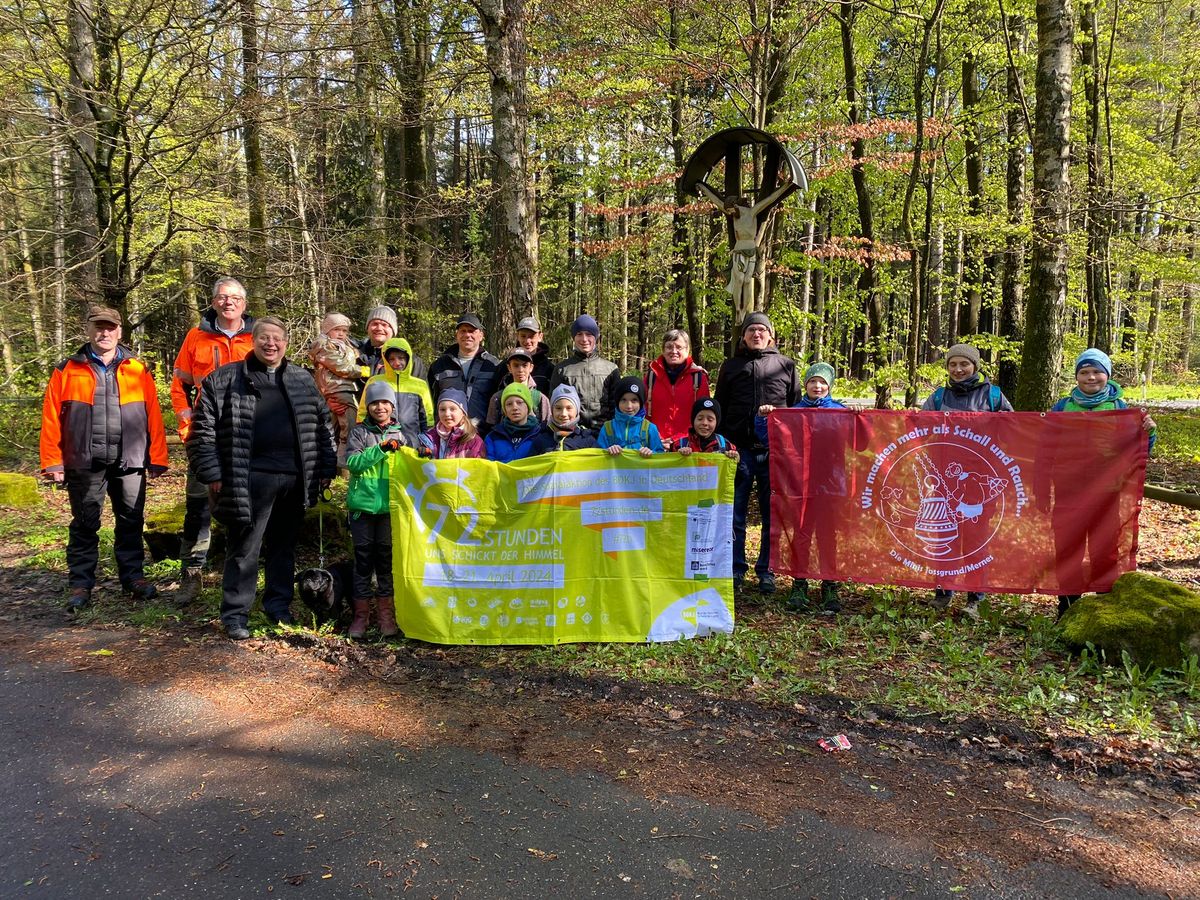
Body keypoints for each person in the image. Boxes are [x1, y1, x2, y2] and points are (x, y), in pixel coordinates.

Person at [187, 317, 337, 641]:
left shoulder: (302, 379)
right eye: (264, 338)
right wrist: (212, 473)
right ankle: (235, 614)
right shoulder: (225, 380)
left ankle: (278, 607)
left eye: (277, 338)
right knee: (244, 549)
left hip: (294, 479)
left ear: (286, 343)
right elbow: (202, 431)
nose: (271, 344)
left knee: (283, 548)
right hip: (248, 479)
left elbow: (323, 425)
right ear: (252, 341)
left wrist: (326, 469)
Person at [41, 306, 169, 610]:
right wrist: (52, 461)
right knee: (85, 523)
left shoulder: (137, 368)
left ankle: (133, 578)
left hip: (130, 459)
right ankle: (81, 584)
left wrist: (158, 456)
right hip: (84, 459)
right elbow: (51, 417)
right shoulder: (67, 369)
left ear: (119, 331)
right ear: (88, 330)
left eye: (110, 327)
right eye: (99, 327)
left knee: (131, 521)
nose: (105, 333)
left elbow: (153, 414)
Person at [1049, 348, 1156, 618]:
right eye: (1084, 372)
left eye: (1097, 371)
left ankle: (1104, 606)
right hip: (1068, 490)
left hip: (1107, 492)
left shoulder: (1121, 409)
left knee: (1105, 549)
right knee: (1067, 547)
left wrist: (1149, 431)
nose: (1091, 377)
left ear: (1107, 375)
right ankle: (1067, 607)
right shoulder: (1062, 407)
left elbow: (1139, 448)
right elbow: (1045, 445)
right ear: (1076, 377)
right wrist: (1041, 488)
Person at [170, 276, 255, 603]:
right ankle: (191, 573)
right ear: (213, 301)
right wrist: (187, 425)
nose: (228, 302)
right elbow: (180, 385)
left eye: (234, 297)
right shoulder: (197, 336)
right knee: (198, 504)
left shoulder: (257, 336)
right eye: (222, 297)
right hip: (206, 434)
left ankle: (242, 574)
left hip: (248, 434)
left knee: (249, 502)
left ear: (244, 303)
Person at [921, 343, 1014, 618]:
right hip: (945, 479)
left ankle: (975, 597)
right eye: (953, 364)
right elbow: (919, 427)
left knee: (976, 539)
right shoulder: (938, 397)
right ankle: (943, 591)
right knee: (945, 536)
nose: (958, 369)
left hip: (980, 481)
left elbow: (1013, 429)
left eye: (964, 364)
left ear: (975, 366)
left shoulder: (993, 396)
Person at [714, 311, 798, 595]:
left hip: (774, 451)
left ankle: (767, 570)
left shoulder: (786, 365)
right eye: (751, 330)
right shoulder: (731, 366)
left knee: (770, 514)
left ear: (771, 335)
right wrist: (723, 444)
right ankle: (736, 569)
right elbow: (719, 407)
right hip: (738, 450)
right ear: (744, 336)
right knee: (735, 513)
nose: (757, 334)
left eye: (762, 330)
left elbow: (797, 409)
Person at [756, 362, 847, 614]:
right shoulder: (793, 412)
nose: (817, 386)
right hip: (801, 484)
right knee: (802, 534)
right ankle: (799, 583)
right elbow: (769, 438)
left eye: (822, 382)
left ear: (830, 385)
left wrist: (860, 418)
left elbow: (859, 443)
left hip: (830, 486)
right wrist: (763, 418)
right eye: (812, 381)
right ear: (805, 384)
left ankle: (830, 585)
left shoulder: (840, 411)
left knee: (828, 536)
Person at [345, 381, 407, 640]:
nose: (380, 407)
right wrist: (380, 449)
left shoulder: (402, 434)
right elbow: (353, 463)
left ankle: (386, 616)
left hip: (390, 508)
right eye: (374, 403)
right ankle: (360, 616)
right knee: (362, 562)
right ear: (367, 406)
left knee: (385, 561)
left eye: (384, 402)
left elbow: (410, 464)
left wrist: (421, 455)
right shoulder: (359, 433)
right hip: (362, 507)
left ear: (392, 406)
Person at [426, 312, 501, 432]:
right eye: (463, 331)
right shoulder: (440, 366)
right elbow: (430, 402)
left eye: (471, 331)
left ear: (481, 335)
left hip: (483, 434)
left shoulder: (493, 365)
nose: (467, 335)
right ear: (457, 334)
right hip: (448, 435)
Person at [357, 337, 433, 447]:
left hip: (413, 445)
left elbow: (428, 420)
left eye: (401, 358)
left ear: (408, 358)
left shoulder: (420, 385)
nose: (397, 363)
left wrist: (427, 445)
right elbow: (362, 414)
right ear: (385, 360)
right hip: (381, 445)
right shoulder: (375, 381)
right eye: (391, 359)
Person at [550, 314, 619, 433]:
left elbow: (616, 405)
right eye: (579, 334)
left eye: (589, 334)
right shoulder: (562, 369)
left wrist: (611, 431)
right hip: (572, 434)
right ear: (573, 338)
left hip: (604, 434)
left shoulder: (611, 369)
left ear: (596, 337)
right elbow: (555, 405)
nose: (584, 339)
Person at [308, 312, 361, 467]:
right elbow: (342, 367)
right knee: (350, 427)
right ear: (327, 329)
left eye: (344, 331)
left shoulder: (344, 345)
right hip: (337, 389)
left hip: (341, 389)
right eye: (337, 329)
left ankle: (333, 464)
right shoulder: (324, 345)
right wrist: (363, 371)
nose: (341, 333)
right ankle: (344, 463)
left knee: (334, 429)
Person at [645, 329, 710, 450]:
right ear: (663, 350)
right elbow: (643, 412)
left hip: (688, 445)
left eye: (679, 347)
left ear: (687, 350)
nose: (674, 351)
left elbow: (705, 415)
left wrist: (679, 439)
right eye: (669, 347)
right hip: (655, 444)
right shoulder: (651, 377)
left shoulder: (698, 377)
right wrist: (655, 438)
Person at [356, 305, 427, 386]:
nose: (379, 328)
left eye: (384, 325)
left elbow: (419, 390)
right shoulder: (355, 356)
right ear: (367, 328)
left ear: (393, 331)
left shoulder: (411, 361)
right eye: (375, 324)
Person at [597, 376, 664, 457]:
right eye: (623, 400)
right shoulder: (607, 428)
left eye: (634, 400)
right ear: (617, 402)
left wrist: (651, 453)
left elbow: (661, 456)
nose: (629, 406)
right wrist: (607, 451)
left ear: (641, 403)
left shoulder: (650, 428)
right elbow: (597, 456)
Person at [486, 347, 550, 427]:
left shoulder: (540, 398)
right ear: (509, 368)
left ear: (531, 367)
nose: (520, 370)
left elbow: (547, 427)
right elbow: (491, 427)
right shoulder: (497, 398)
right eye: (516, 365)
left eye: (525, 365)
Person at [417, 389, 486, 459]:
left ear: (463, 412)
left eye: (452, 409)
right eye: (442, 409)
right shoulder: (430, 437)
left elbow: (477, 464)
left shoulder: (474, 441)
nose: (447, 414)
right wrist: (426, 452)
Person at [484, 383, 543, 462]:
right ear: (504, 409)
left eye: (519, 403)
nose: (514, 407)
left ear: (528, 406)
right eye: (509, 404)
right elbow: (488, 465)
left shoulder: (540, 435)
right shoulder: (492, 437)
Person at [536, 385, 598, 453]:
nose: (563, 414)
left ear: (577, 411)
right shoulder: (540, 438)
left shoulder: (586, 439)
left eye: (569, 408)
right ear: (552, 410)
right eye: (558, 408)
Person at [515, 315, 555, 393]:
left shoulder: (549, 369)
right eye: (523, 336)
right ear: (517, 336)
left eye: (531, 336)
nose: (527, 341)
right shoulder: (506, 367)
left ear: (540, 336)